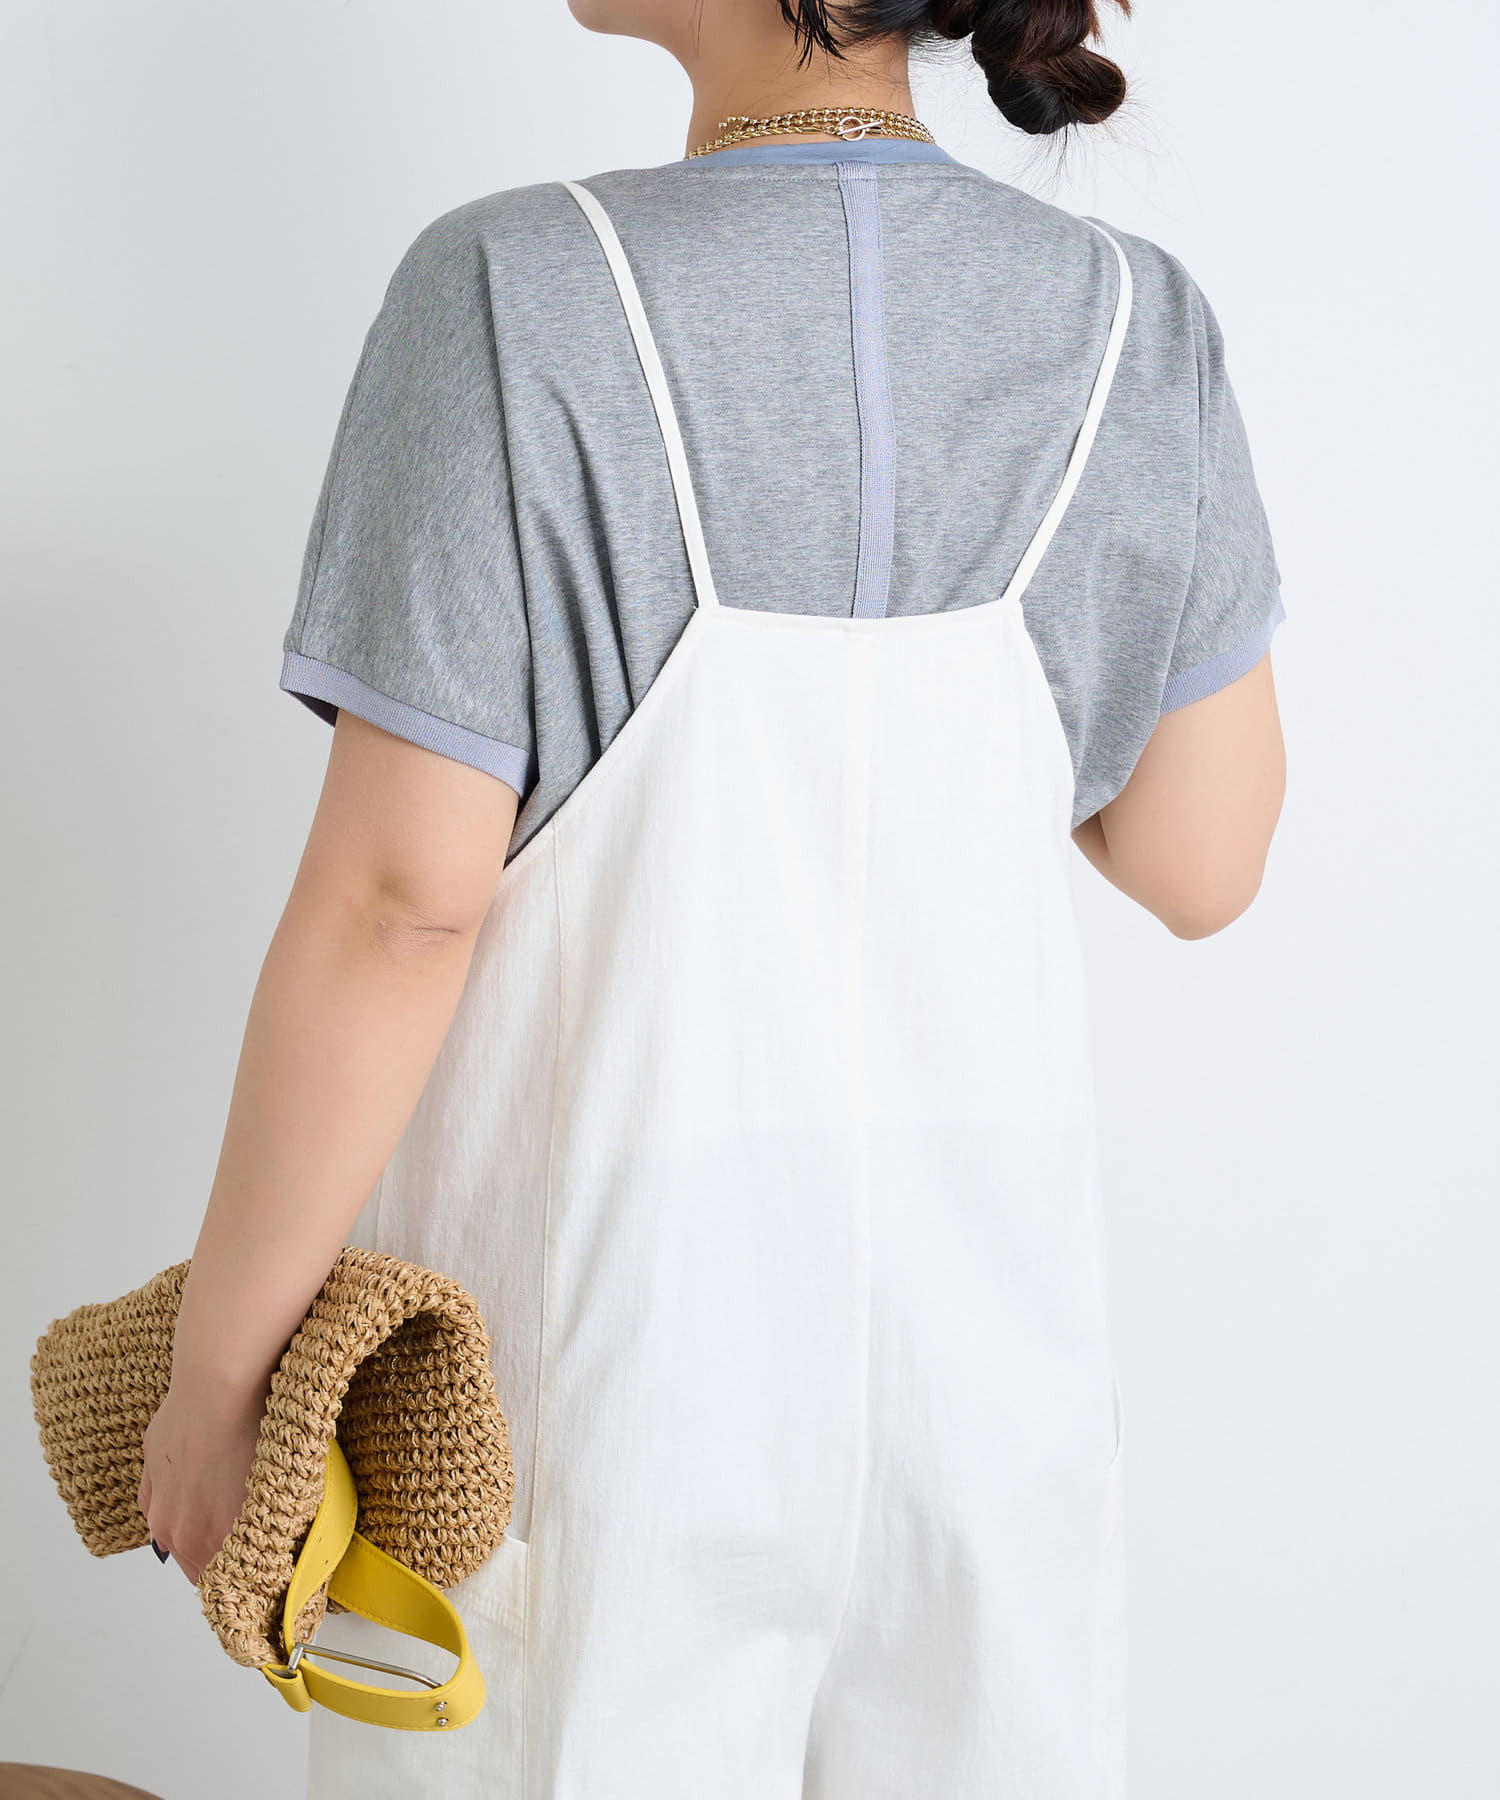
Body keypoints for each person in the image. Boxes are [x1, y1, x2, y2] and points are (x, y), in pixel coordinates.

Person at [138, 0, 1287, 1793]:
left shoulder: (515, 289)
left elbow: (399, 906)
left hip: (597, 1363)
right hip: (991, 1376)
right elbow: (1200, 863)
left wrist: (220, 1380)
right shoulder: (1133, 318)